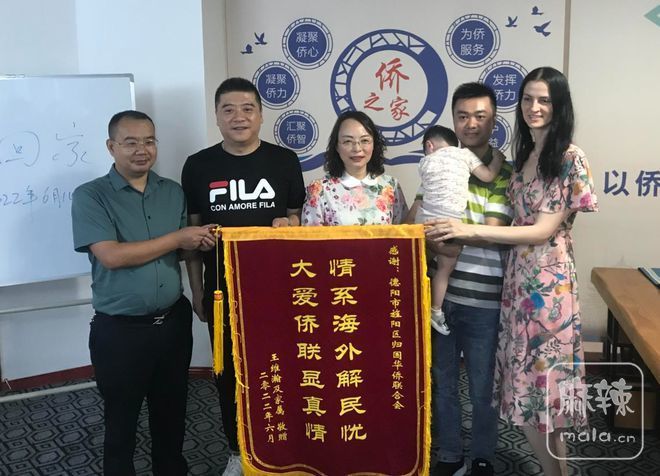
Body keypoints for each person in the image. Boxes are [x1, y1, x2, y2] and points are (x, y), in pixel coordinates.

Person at [428, 67, 598, 476]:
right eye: (527, 99)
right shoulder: (525, 157)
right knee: (532, 397)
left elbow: (541, 230)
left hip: (547, 289)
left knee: (542, 395)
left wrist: (467, 230)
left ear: (559, 105)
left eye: (544, 100)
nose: (534, 107)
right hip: (517, 286)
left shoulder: (568, 156)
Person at [71, 110, 216, 476]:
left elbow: (182, 252)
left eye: (149, 141)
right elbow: (112, 256)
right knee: (121, 422)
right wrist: (178, 238)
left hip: (172, 322)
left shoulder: (172, 192)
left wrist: (200, 244)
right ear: (111, 147)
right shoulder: (91, 196)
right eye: (130, 142)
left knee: (172, 414)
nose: (142, 150)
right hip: (120, 331)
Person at [181, 77, 305, 476]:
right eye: (229, 109)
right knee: (228, 375)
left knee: (283, 367)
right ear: (217, 117)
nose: (239, 117)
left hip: (279, 290)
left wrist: (288, 226)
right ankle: (237, 450)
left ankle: (284, 446)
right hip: (221, 292)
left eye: (248, 108)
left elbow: (297, 221)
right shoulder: (198, 165)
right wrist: (197, 291)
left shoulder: (284, 161)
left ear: (261, 115)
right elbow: (192, 234)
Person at [408, 83, 513, 476]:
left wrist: (450, 230)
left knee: (484, 385)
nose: (471, 124)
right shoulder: (439, 164)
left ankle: (483, 455)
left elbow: (494, 230)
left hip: (484, 299)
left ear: (493, 120)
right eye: (463, 116)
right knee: (442, 382)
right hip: (440, 298)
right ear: (453, 120)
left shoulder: (506, 174)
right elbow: (417, 223)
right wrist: (423, 228)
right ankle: (450, 454)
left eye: (480, 116)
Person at [414, 125, 504, 336]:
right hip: (448, 224)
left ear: (429, 145)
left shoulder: (425, 162)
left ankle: (417, 301)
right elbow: (488, 176)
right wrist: (498, 159)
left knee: (421, 262)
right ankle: (435, 310)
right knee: (445, 267)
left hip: (423, 220)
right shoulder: (465, 155)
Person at [302, 110, 407, 226]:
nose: (357, 148)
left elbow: (404, 232)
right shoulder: (319, 190)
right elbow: (310, 236)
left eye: (365, 140)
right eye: (348, 141)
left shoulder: (390, 186)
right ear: (336, 146)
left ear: (374, 144)